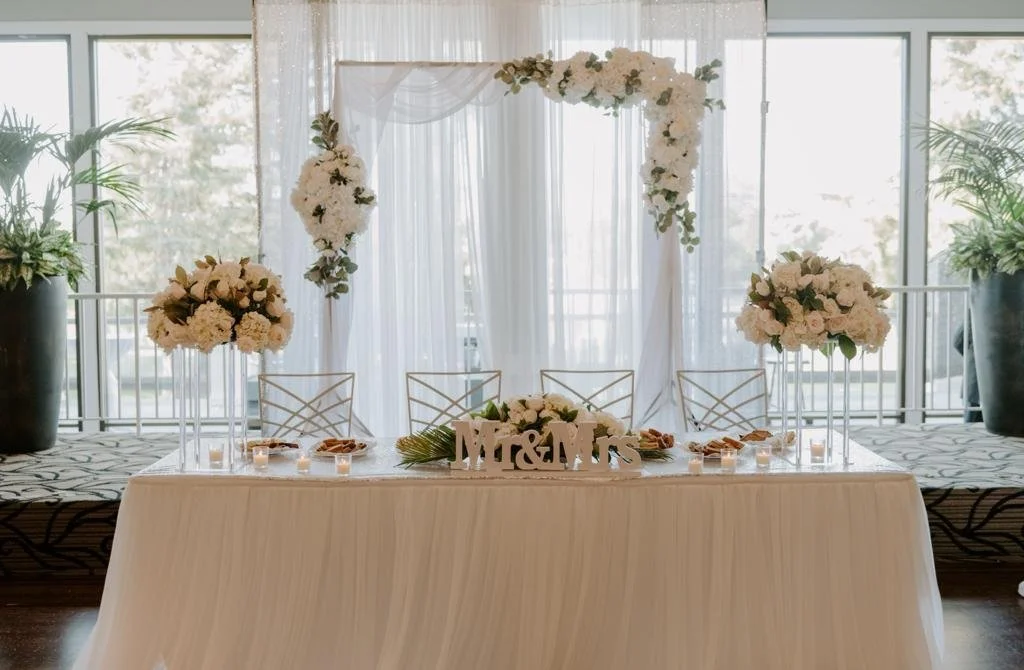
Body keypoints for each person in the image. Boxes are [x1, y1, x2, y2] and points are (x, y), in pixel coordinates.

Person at [953, 316, 983, 423]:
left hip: (976, 383)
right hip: (1004, 388)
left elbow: (958, 341)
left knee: (971, 428)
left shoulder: (978, 306)